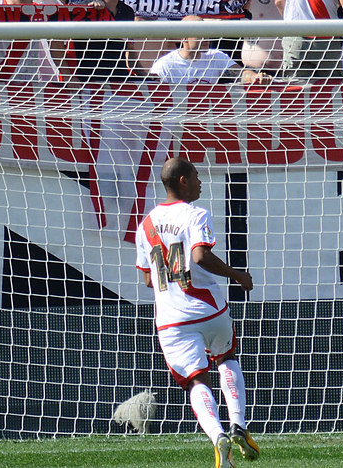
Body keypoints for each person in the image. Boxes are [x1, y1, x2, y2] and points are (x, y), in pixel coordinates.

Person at [135, 157, 258, 468]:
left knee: (196, 381)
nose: (201, 181)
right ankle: (239, 426)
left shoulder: (145, 225)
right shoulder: (195, 214)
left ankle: (218, 436)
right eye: (196, 176)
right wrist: (238, 275)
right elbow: (200, 256)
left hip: (171, 318)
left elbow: (149, 278)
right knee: (227, 358)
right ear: (183, 182)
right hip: (207, 307)